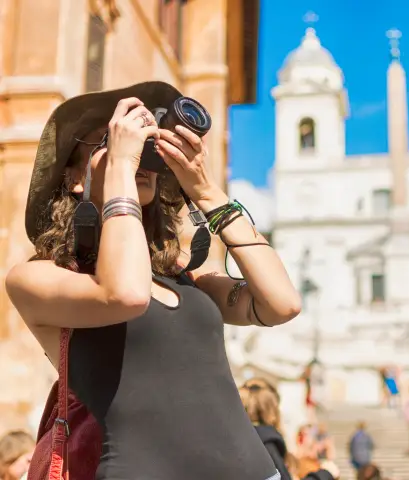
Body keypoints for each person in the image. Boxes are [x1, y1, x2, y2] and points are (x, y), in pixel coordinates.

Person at [5, 81, 302, 480]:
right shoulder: (35, 277)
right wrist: (121, 172)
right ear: (74, 178)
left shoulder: (181, 270)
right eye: (108, 143)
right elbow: (125, 294)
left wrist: (207, 192)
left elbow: (281, 303)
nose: (136, 155)